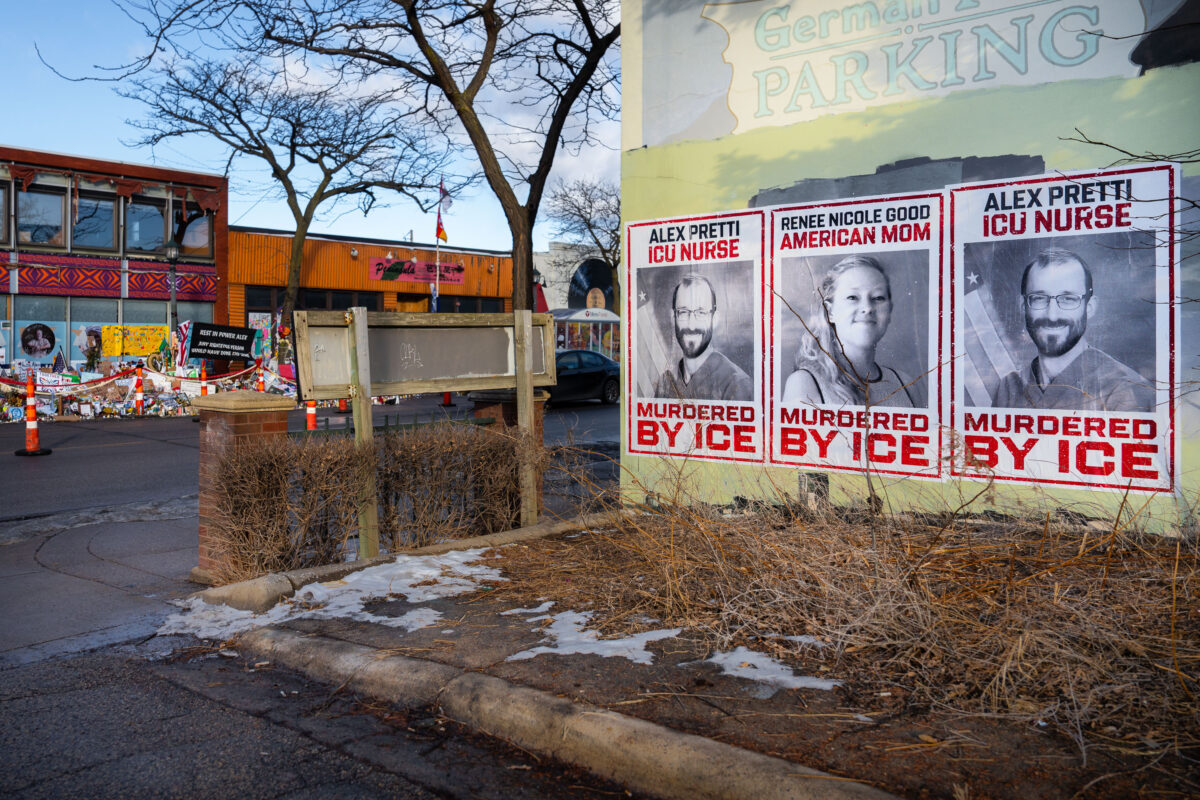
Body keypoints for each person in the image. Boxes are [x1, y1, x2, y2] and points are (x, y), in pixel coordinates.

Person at [991, 249, 1155, 412]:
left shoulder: (1126, 392)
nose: (1052, 315)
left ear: (1089, 308)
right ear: (1023, 306)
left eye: (1068, 299)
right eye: (1039, 298)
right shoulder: (1008, 389)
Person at [782, 255, 919, 408]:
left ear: (889, 311)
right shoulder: (805, 383)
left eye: (878, 297)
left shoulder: (906, 385)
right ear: (830, 311)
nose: (867, 308)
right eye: (853, 297)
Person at [653, 274, 752, 401]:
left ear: (714, 319)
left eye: (701, 313)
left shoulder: (737, 385)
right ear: (674, 318)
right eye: (683, 312)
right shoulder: (665, 384)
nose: (692, 325)